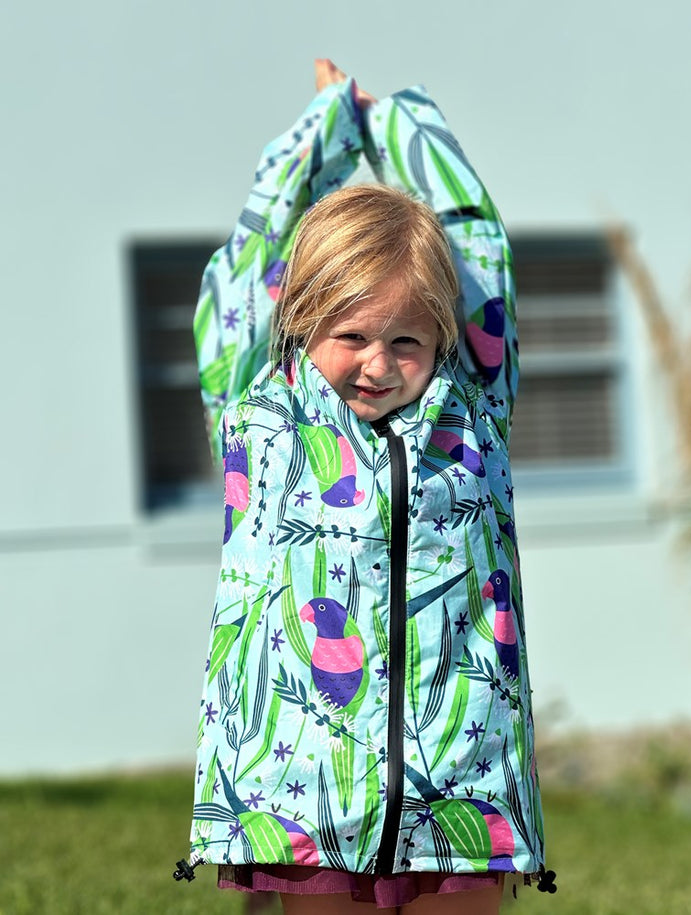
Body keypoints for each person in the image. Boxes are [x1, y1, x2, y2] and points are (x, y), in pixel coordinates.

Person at [179, 59, 552, 914]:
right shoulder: (260, 410)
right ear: (302, 318)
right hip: (306, 786)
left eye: (408, 342)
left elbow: (477, 235)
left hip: (459, 783)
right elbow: (248, 255)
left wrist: (399, 122)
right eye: (351, 335)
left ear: (443, 338)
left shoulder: (473, 410)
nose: (379, 365)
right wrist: (329, 122)